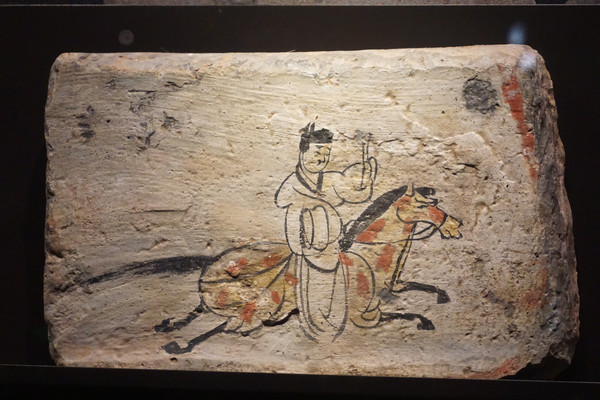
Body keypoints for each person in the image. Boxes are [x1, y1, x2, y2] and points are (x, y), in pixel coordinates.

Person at [274, 122, 377, 341]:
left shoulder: (329, 179)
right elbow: (284, 204)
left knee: (335, 298)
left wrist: (364, 178)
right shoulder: (292, 184)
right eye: (318, 152)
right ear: (303, 151)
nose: (322, 158)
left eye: (326, 154)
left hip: (332, 253)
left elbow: (354, 193)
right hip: (309, 255)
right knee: (314, 299)